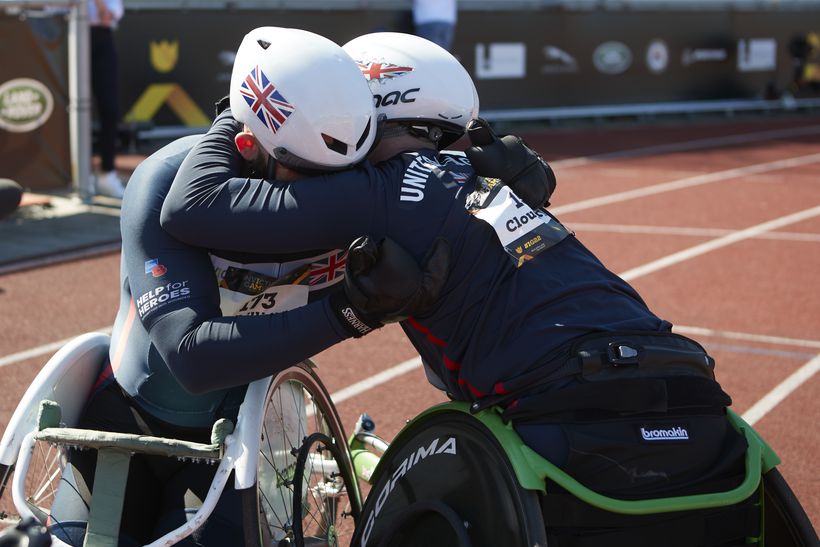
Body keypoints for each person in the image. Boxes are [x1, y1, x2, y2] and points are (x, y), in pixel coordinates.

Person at [161, 31, 752, 543]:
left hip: (564, 406)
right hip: (686, 382)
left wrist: (237, 107)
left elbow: (192, 206)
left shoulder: (378, 192)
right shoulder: (493, 176)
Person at [55, 28, 449, 546]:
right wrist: (349, 312)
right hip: (133, 427)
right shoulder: (166, 179)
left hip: (259, 427)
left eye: (346, 175)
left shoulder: (366, 181)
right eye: (308, 176)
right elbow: (192, 357)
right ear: (247, 147)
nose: (332, 199)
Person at [89, 0, 126, 198]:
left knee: (109, 107)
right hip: (63, 33)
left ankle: (107, 173)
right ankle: (77, 175)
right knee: (70, 108)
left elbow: (111, 13)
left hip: (101, 37)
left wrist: (104, 9)